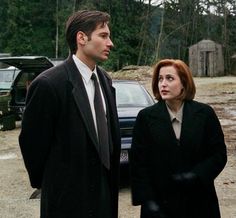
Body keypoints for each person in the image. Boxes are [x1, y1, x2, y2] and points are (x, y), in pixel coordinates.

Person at [19, 10, 121, 218]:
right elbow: (32, 146)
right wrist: (54, 184)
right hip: (66, 203)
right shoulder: (48, 84)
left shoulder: (105, 80)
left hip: (104, 200)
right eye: (103, 36)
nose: (110, 43)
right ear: (81, 38)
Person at [130, 59, 227, 218]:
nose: (163, 84)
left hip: (200, 202)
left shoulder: (205, 114)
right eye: (160, 79)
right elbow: (138, 163)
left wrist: (196, 175)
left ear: (184, 83)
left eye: (170, 78)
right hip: (160, 205)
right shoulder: (146, 117)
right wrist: (148, 201)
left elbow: (218, 154)